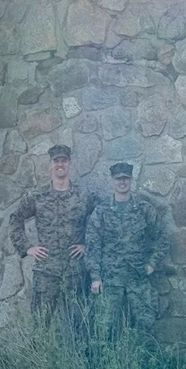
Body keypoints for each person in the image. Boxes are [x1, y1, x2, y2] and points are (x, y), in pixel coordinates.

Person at [9, 144, 95, 321]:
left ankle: (77, 350)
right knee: (40, 325)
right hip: (46, 272)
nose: (60, 164)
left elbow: (99, 222)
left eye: (64, 160)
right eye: (56, 161)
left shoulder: (83, 195)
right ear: (50, 165)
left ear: (70, 164)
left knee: (79, 326)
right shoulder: (38, 196)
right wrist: (27, 248)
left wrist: (87, 245)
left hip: (75, 272)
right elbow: (15, 219)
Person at [85, 162, 169, 337]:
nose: (122, 182)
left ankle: (146, 363)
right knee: (103, 329)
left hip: (137, 278)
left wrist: (152, 263)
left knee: (146, 325)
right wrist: (95, 277)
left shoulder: (144, 209)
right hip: (110, 280)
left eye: (126, 178)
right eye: (118, 179)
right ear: (112, 181)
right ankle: (103, 364)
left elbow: (163, 238)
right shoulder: (101, 212)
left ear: (131, 180)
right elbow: (92, 246)